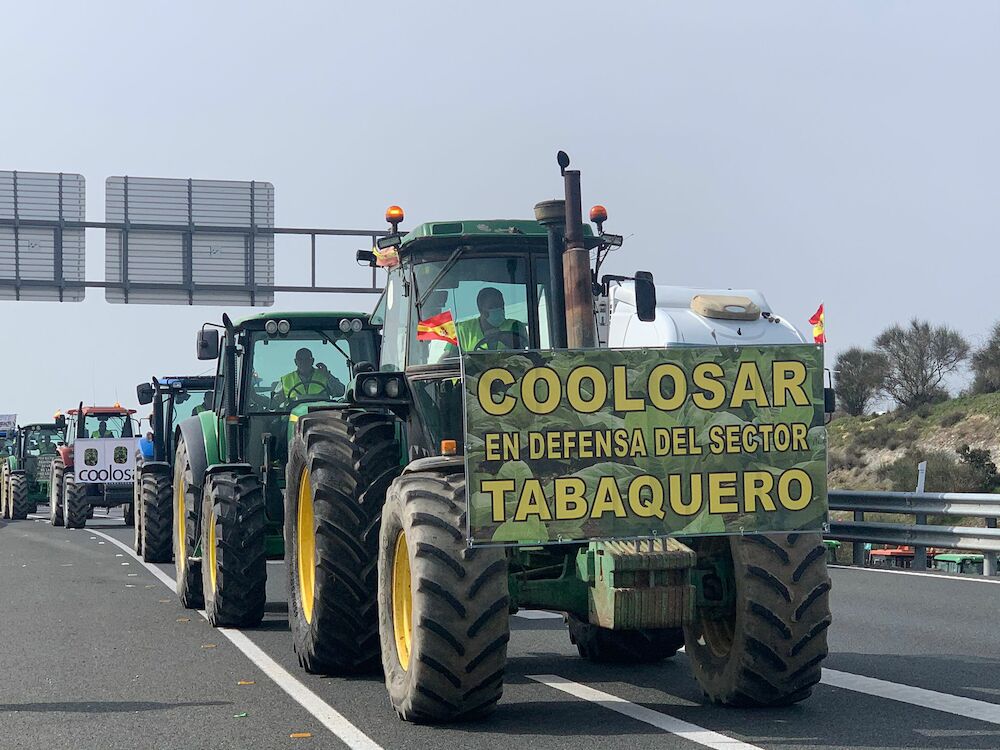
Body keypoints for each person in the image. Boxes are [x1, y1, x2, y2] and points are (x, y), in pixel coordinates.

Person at [454, 287, 525, 352]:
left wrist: (502, 337)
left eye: (501, 306)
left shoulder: (515, 326)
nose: (499, 309)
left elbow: (523, 352)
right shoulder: (461, 330)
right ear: (481, 310)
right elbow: (447, 357)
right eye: (493, 306)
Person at [278, 348, 346, 404]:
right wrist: (268, 401)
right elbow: (275, 402)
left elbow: (340, 391)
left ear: (312, 361)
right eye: (300, 360)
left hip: (322, 415)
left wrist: (328, 375)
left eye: (307, 359)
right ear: (295, 362)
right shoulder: (286, 380)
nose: (303, 362)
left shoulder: (324, 375)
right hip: (294, 417)